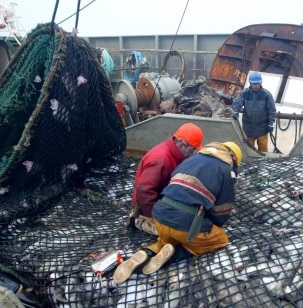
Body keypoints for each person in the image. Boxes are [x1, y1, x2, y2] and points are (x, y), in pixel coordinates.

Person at [114, 141, 242, 284]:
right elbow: (221, 211)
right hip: (186, 226)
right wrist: (213, 226)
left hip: (160, 218)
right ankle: (176, 254)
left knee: (167, 240)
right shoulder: (226, 170)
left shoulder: (191, 160)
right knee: (220, 238)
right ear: (233, 159)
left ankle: (147, 252)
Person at [129, 123, 204, 235]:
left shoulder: (173, 153)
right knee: (175, 233)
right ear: (183, 144)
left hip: (162, 199)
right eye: (192, 150)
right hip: (146, 207)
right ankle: (140, 221)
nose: (192, 153)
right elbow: (144, 190)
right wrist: (153, 216)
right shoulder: (160, 159)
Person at [231, 71, 276, 152]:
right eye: (253, 84)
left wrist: (271, 124)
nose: (255, 86)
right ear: (250, 83)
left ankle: (262, 164)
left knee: (263, 152)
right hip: (248, 128)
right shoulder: (244, 93)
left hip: (262, 128)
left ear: (260, 83)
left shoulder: (267, 95)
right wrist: (235, 113)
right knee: (249, 150)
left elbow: (272, 110)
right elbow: (236, 104)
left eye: (257, 84)